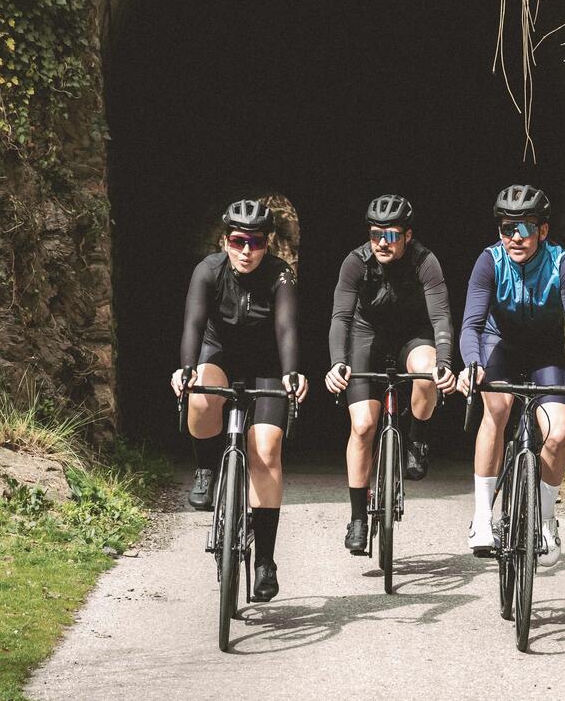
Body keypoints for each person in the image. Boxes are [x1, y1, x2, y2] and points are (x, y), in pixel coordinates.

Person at [457, 184, 565, 565]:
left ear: (543, 230)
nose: (515, 237)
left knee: (556, 434)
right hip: (498, 346)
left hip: (544, 353)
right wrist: (472, 364)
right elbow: (471, 325)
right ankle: (483, 516)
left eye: (525, 228)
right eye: (508, 228)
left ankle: (547, 521)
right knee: (498, 409)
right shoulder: (489, 261)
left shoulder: (562, 264)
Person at [170, 199, 308, 602]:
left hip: (266, 364)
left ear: (268, 244)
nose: (246, 250)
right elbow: (193, 324)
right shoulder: (208, 271)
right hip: (219, 356)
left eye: (256, 242)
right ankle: (206, 469)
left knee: (266, 451)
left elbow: (286, 329)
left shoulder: (280, 275)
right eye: (237, 240)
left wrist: (291, 372)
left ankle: (265, 560)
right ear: (224, 240)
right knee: (198, 397)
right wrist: (186, 369)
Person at [324, 195, 457, 554]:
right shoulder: (356, 262)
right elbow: (341, 318)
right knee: (364, 426)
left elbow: (441, 317)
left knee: (427, 373)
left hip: (414, 336)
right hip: (368, 337)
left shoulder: (425, 262)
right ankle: (357, 518)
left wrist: (444, 361)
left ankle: (416, 438)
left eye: (392, 235)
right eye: (376, 234)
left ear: (408, 236)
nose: (383, 242)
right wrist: (338, 362)